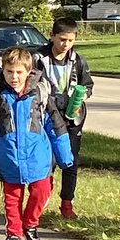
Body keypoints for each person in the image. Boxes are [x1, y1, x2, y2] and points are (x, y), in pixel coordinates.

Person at [0, 46, 74, 240]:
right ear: (3, 71)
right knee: (12, 198)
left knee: (42, 191)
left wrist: (64, 156)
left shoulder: (40, 94)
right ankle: (14, 233)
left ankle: (30, 225)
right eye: (9, 72)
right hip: (8, 158)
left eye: (19, 72)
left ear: (28, 71)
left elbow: (56, 126)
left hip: (38, 157)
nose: (14, 77)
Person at [34, 17, 94, 219]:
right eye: (61, 39)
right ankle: (41, 200)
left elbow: (88, 85)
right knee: (46, 161)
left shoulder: (78, 61)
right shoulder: (38, 59)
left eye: (70, 40)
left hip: (72, 118)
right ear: (52, 36)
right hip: (46, 117)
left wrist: (82, 95)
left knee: (70, 161)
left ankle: (67, 204)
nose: (65, 44)